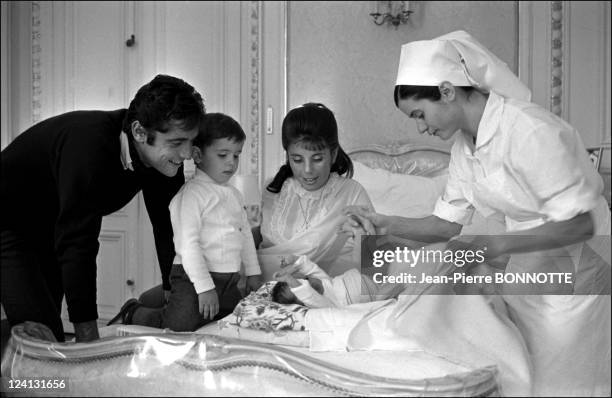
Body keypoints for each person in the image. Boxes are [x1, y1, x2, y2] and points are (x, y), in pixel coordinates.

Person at [343, 30, 611, 396]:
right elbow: (444, 224)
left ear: (447, 90)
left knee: (563, 382)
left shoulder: (529, 131)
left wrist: (485, 247)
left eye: (420, 114)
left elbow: (581, 223)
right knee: (523, 374)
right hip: (526, 264)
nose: (421, 126)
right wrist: (385, 222)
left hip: (578, 267)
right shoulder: (462, 149)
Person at [0, 74, 205, 343]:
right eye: (177, 143)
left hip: (52, 223)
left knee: (52, 336)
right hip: (9, 222)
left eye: (191, 141)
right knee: (42, 338)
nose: (187, 154)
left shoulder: (163, 161)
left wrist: (173, 295)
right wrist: (89, 340)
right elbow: (79, 244)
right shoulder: (90, 148)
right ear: (139, 132)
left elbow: (167, 226)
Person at [110, 113, 263, 331]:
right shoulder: (192, 195)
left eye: (236, 155)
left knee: (227, 323)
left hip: (229, 278)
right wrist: (204, 287)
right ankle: (134, 312)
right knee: (178, 325)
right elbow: (188, 245)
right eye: (223, 155)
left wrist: (253, 272)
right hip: (193, 277)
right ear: (198, 155)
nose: (232, 162)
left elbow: (244, 234)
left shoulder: (235, 195)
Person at [255, 103, 374, 280]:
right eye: (297, 160)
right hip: (262, 290)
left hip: (322, 294)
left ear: (333, 155)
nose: (308, 170)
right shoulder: (272, 188)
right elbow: (251, 244)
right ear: (288, 156)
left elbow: (373, 263)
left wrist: (360, 238)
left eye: (317, 159)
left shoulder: (351, 193)